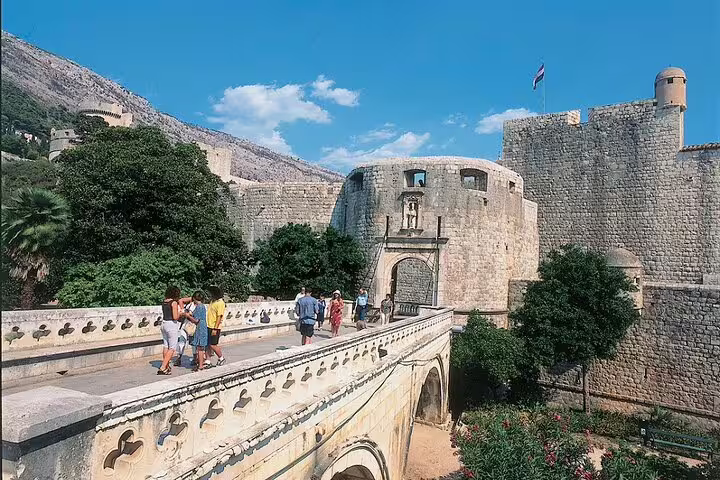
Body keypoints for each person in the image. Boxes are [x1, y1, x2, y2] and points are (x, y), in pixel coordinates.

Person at [158, 286, 181, 375]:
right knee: (172, 347)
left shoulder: (164, 301)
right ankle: (163, 367)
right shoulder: (173, 303)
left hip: (164, 324)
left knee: (165, 346)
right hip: (171, 325)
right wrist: (181, 313)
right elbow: (175, 317)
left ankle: (167, 366)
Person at [187, 290, 208, 372]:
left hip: (199, 327)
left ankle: (200, 365)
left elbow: (196, 320)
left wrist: (188, 316)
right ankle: (200, 364)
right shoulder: (202, 306)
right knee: (200, 347)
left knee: (200, 347)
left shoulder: (199, 307)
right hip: (202, 326)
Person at [205, 285, 226, 367]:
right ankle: (207, 360)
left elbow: (219, 316)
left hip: (214, 327)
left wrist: (215, 328)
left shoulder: (220, 303)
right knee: (207, 344)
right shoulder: (213, 301)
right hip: (208, 325)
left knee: (213, 344)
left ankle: (221, 357)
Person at [174, 295, 196, 367]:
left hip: (192, 325)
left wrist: (185, 313)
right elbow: (181, 300)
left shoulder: (195, 305)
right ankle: (179, 357)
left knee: (193, 343)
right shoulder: (188, 305)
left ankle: (195, 358)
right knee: (181, 341)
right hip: (185, 325)